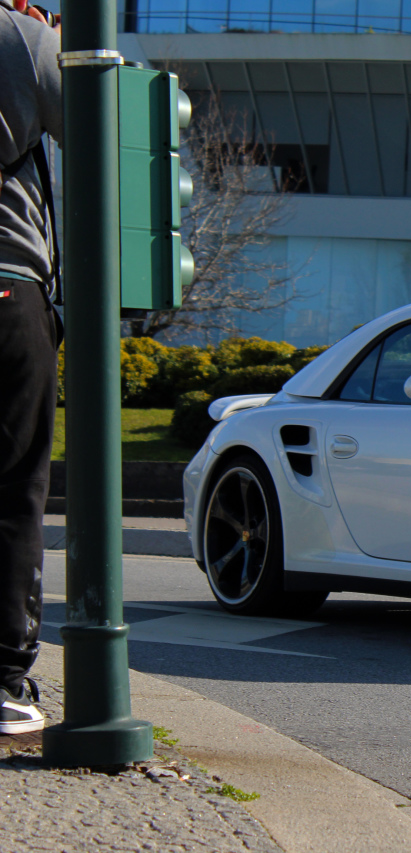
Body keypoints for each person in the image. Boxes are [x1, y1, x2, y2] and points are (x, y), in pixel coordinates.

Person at [0, 0, 61, 736]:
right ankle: (5, 677)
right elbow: (99, 132)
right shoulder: (20, 35)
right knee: (14, 485)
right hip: (8, 284)